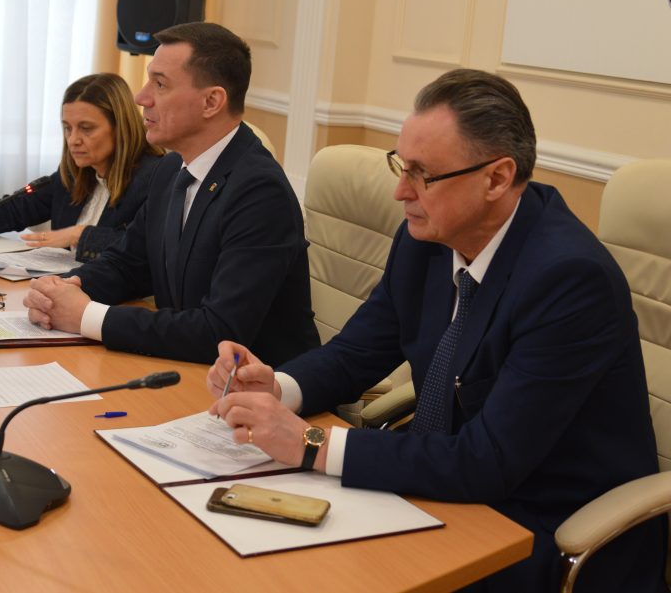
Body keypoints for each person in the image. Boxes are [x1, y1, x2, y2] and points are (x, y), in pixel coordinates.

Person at [207, 69, 665, 592]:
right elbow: (357, 351)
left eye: (423, 174)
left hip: (539, 524)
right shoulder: (425, 239)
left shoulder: (569, 279)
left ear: (496, 178)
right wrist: (277, 388)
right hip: (443, 485)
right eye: (400, 165)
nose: (400, 191)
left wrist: (310, 443)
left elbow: (488, 461)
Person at [24, 22, 319, 365]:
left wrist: (86, 316)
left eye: (160, 84)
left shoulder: (260, 192)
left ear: (211, 101)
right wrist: (58, 291)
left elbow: (219, 332)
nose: (141, 97)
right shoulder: (171, 168)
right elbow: (127, 265)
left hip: (254, 386)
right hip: (186, 367)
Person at [0, 73, 162, 262]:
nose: (73, 140)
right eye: (67, 128)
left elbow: (146, 248)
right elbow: (13, 209)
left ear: (120, 127)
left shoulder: (155, 178)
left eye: (86, 128)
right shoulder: (74, 175)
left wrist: (80, 235)